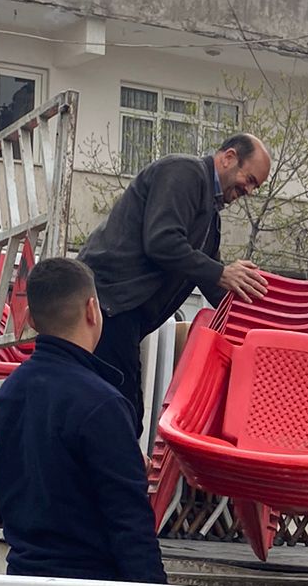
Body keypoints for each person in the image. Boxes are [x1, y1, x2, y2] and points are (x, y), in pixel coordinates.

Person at [0, 256, 166, 586]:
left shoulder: (6, 398)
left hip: (21, 581)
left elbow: (41, 480)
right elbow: (130, 525)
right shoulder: (103, 403)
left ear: (30, 319)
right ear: (92, 310)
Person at [78, 133, 273, 436]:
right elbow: (162, 241)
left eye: (255, 186)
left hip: (120, 310)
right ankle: (112, 477)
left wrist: (263, 327)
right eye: (249, 179)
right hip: (109, 303)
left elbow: (211, 281)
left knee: (118, 410)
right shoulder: (184, 173)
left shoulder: (210, 218)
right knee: (120, 414)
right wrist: (221, 272)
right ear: (229, 158)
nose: (248, 190)